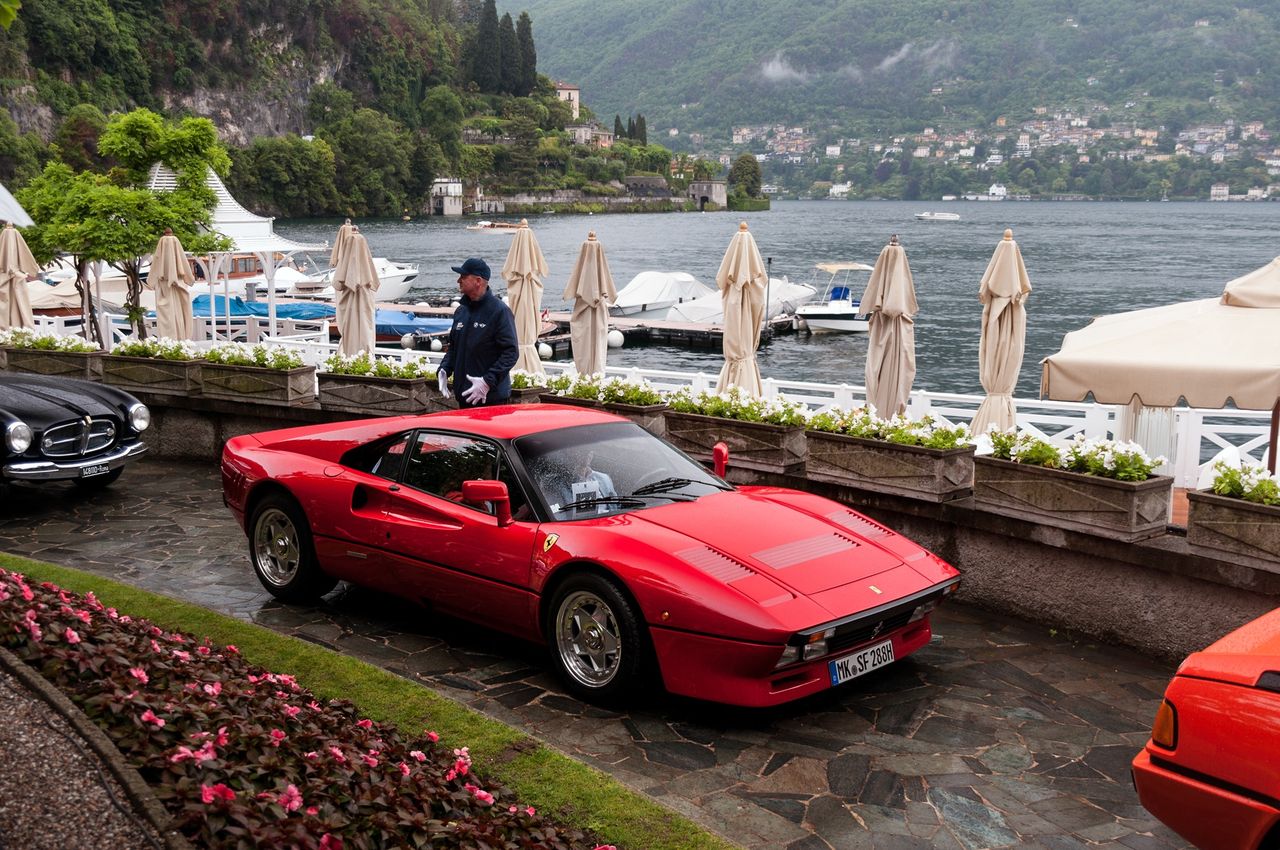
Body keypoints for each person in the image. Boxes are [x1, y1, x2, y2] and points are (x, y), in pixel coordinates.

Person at [437, 257, 519, 407]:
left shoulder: (499, 311)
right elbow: (454, 348)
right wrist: (444, 369)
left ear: (478, 281)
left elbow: (511, 352)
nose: (458, 281)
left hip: (491, 399)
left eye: (463, 276)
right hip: (465, 397)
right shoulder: (461, 311)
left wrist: (487, 381)